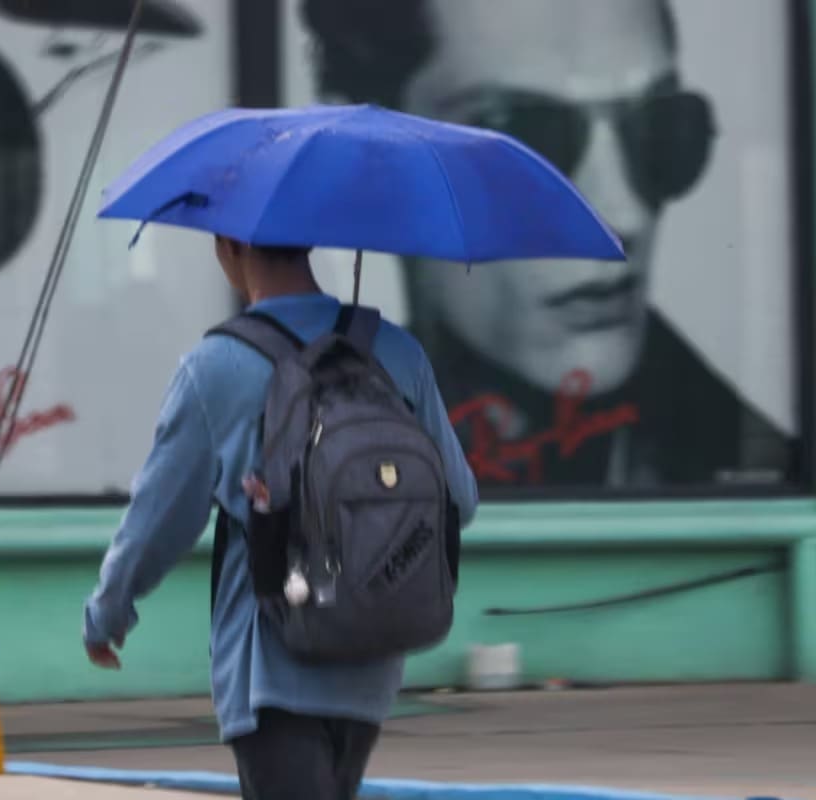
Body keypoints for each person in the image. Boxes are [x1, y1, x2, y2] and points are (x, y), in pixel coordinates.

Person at [301, 0, 795, 490]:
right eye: (520, 145)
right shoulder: (296, 458)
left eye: (659, 128)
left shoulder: (761, 474)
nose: (621, 214)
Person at [82, 236, 479, 799]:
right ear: (308, 242)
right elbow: (459, 498)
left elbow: (158, 517)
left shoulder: (214, 367)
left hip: (273, 662)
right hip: (374, 659)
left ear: (230, 244)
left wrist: (108, 611)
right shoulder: (397, 352)